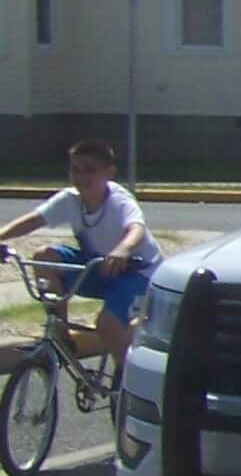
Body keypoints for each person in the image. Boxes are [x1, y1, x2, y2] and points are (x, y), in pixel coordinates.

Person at [0, 139, 163, 374]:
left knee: (106, 325)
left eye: (90, 170)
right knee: (44, 256)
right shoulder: (70, 199)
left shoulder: (119, 200)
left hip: (136, 272)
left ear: (109, 173)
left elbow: (135, 228)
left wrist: (122, 250)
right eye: (75, 169)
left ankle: (128, 384)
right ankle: (61, 334)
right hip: (98, 268)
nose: (81, 176)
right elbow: (33, 220)